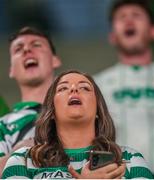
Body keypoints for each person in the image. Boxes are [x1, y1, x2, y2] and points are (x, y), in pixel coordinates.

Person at [2, 70, 153, 179]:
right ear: (52, 112)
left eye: (85, 88)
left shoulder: (129, 159)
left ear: (98, 110)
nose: (74, 89)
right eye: (63, 88)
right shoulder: (23, 160)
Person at [94, 0, 154, 173]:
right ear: (112, 36)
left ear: (152, 31)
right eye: (122, 17)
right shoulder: (94, 86)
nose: (129, 21)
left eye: (136, 15)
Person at [0, 26, 61, 176]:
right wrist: (18, 153)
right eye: (18, 49)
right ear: (11, 70)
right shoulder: (3, 125)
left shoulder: (84, 111)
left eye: (36, 45)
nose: (27, 50)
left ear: (55, 60)